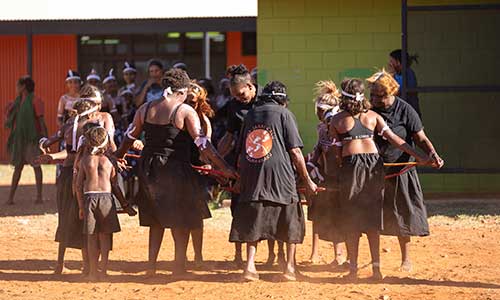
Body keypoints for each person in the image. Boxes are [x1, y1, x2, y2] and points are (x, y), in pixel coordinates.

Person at [115, 68, 237, 276]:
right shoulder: (185, 112)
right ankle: (179, 266)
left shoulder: (145, 109)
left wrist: (118, 156)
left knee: (155, 219)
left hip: (149, 168)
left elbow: (129, 137)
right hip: (175, 169)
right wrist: (223, 167)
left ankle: (151, 266)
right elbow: (203, 145)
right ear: (183, 90)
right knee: (180, 218)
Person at [329, 78, 432, 281]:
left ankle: (353, 270)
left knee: (352, 220)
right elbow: (396, 139)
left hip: (351, 169)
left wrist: (334, 176)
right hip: (374, 168)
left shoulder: (337, 120)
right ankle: (376, 270)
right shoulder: (373, 117)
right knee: (372, 220)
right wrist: (420, 157)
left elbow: (335, 154)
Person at [229, 81, 317, 281]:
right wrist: (307, 180)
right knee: (289, 214)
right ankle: (289, 268)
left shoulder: (250, 115)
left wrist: (241, 178)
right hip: (281, 174)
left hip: (253, 173)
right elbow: (295, 151)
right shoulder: (285, 114)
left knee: (254, 215)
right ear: (282, 99)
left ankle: (250, 267)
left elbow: (242, 151)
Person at [367, 70, 444, 272]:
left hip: (401, 170)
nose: (374, 99)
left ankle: (406, 259)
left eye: (379, 96)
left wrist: (432, 154)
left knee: (403, 212)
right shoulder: (367, 111)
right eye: (372, 95)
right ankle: (375, 264)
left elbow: (420, 138)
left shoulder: (405, 110)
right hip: (373, 172)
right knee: (372, 215)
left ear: (391, 93)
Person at [38, 92, 101, 275]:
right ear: (89, 114)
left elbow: (49, 142)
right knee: (84, 218)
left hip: (65, 175)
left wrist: (47, 150)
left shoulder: (66, 126)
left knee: (64, 217)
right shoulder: (91, 127)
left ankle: (59, 264)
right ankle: (88, 265)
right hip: (83, 176)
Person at [75, 125, 136, 281]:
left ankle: (93, 272)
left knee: (91, 237)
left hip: (89, 199)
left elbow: (78, 185)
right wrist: (125, 205)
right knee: (105, 237)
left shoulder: (85, 160)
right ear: (106, 142)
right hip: (106, 199)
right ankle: (104, 270)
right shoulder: (110, 161)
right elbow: (115, 185)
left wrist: (81, 207)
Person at [217, 64, 261, 266]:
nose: (238, 98)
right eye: (234, 95)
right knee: (238, 206)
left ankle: (271, 255)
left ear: (251, 86)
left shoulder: (265, 101)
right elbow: (229, 135)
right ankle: (238, 254)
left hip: (263, 162)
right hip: (241, 161)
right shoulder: (234, 105)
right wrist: (215, 158)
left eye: (241, 94)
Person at [306, 80, 346, 266]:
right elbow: (319, 150)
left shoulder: (342, 125)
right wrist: (309, 168)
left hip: (343, 178)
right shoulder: (322, 128)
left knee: (342, 216)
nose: (319, 114)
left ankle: (342, 256)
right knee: (322, 213)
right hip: (326, 177)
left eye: (321, 110)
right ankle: (324, 254)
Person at [185, 81, 214, 265]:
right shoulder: (176, 114)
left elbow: (207, 146)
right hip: (179, 167)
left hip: (197, 170)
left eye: (195, 92)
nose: (192, 93)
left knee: (196, 214)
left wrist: (208, 163)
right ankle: (181, 254)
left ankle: (198, 254)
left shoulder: (204, 120)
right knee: (179, 215)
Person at [5, 76, 47, 205]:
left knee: (36, 166)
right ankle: (10, 198)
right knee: (18, 167)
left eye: (18, 85)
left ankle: (39, 196)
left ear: (23, 87)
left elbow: (41, 120)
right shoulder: (17, 102)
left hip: (32, 139)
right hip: (20, 141)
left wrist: (45, 140)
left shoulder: (36, 100)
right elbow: (10, 117)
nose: (16, 87)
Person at [388, 49, 421, 117]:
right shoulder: (394, 75)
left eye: (392, 61)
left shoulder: (409, 73)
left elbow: (409, 91)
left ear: (398, 62)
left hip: (409, 112)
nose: (389, 63)